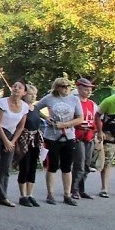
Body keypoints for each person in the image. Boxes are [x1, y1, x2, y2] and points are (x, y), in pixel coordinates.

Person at [34, 77, 83, 205]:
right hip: (52, 136)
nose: (66, 88)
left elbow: (80, 118)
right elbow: (35, 108)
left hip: (68, 136)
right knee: (52, 166)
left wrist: (65, 124)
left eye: (68, 86)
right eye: (63, 86)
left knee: (67, 167)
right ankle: (50, 194)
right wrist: (46, 118)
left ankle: (67, 194)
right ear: (57, 87)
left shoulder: (74, 99)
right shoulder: (49, 98)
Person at [0, 80, 28, 207]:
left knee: (6, 168)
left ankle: (3, 196)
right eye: (14, 86)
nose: (16, 88)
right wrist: (5, 140)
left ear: (24, 92)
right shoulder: (2, 103)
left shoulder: (24, 107)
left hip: (11, 137)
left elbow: (20, 127)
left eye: (20, 87)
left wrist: (12, 141)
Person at [16, 84, 44, 207]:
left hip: (35, 140)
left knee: (33, 167)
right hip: (24, 140)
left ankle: (30, 194)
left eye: (35, 94)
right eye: (30, 94)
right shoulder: (22, 108)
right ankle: (22, 195)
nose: (33, 96)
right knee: (24, 167)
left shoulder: (36, 109)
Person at [71, 78, 98, 199]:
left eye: (90, 89)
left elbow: (96, 119)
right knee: (79, 163)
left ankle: (82, 189)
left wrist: (97, 133)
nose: (88, 92)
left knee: (87, 163)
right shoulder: (74, 102)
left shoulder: (92, 104)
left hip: (89, 135)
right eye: (86, 89)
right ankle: (74, 189)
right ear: (79, 89)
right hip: (78, 135)